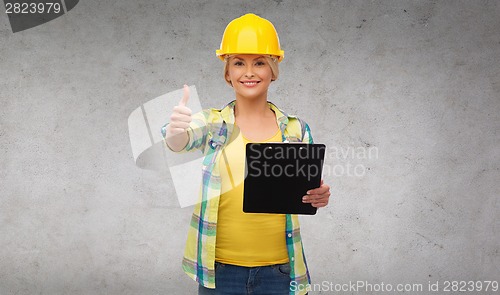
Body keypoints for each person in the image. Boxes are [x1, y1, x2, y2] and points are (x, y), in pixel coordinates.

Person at [162, 13, 331, 295]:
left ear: (272, 71)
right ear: (228, 73)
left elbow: (308, 189)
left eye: (260, 63)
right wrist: (175, 130)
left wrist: (320, 195)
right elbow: (181, 141)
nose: (249, 72)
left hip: (280, 272)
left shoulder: (295, 130)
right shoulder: (213, 123)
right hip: (221, 273)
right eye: (239, 63)